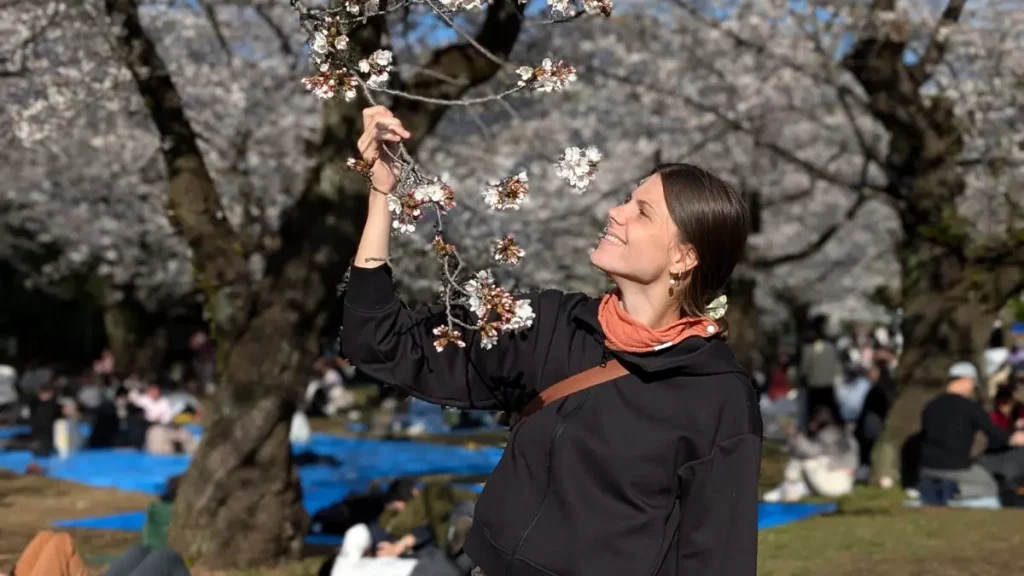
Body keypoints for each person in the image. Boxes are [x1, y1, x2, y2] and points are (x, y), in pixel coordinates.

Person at [342, 106, 761, 576]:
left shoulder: (717, 392)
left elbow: (717, 557)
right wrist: (383, 192)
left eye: (641, 212)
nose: (615, 212)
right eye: (626, 198)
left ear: (683, 257)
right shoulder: (551, 326)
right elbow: (380, 342)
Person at [918, 362, 1024, 499]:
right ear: (966, 380)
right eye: (972, 383)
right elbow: (993, 432)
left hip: (926, 466)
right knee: (990, 487)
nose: (972, 388)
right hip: (955, 467)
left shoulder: (931, 406)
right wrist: (1013, 438)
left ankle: (933, 488)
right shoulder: (970, 407)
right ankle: (953, 491)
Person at [763, 405, 858, 502]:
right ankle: (793, 487)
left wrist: (795, 435)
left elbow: (809, 452)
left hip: (834, 483)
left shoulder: (828, 433)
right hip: (846, 483)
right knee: (816, 459)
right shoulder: (848, 435)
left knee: (802, 459)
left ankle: (788, 487)